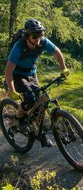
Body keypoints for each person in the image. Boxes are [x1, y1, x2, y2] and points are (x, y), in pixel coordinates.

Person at [4, 18, 69, 147]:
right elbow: (8, 72)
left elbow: (57, 51)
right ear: (27, 36)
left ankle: (38, 131)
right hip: (17, 75)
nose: (38, 39)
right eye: (34, 36)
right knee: (29, 101)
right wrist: (12, 91)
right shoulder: (19, 47)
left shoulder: (42, 42)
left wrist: (63, 68)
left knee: (40, 102)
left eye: (40, 36)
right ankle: (18, 120)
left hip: (31, 73)